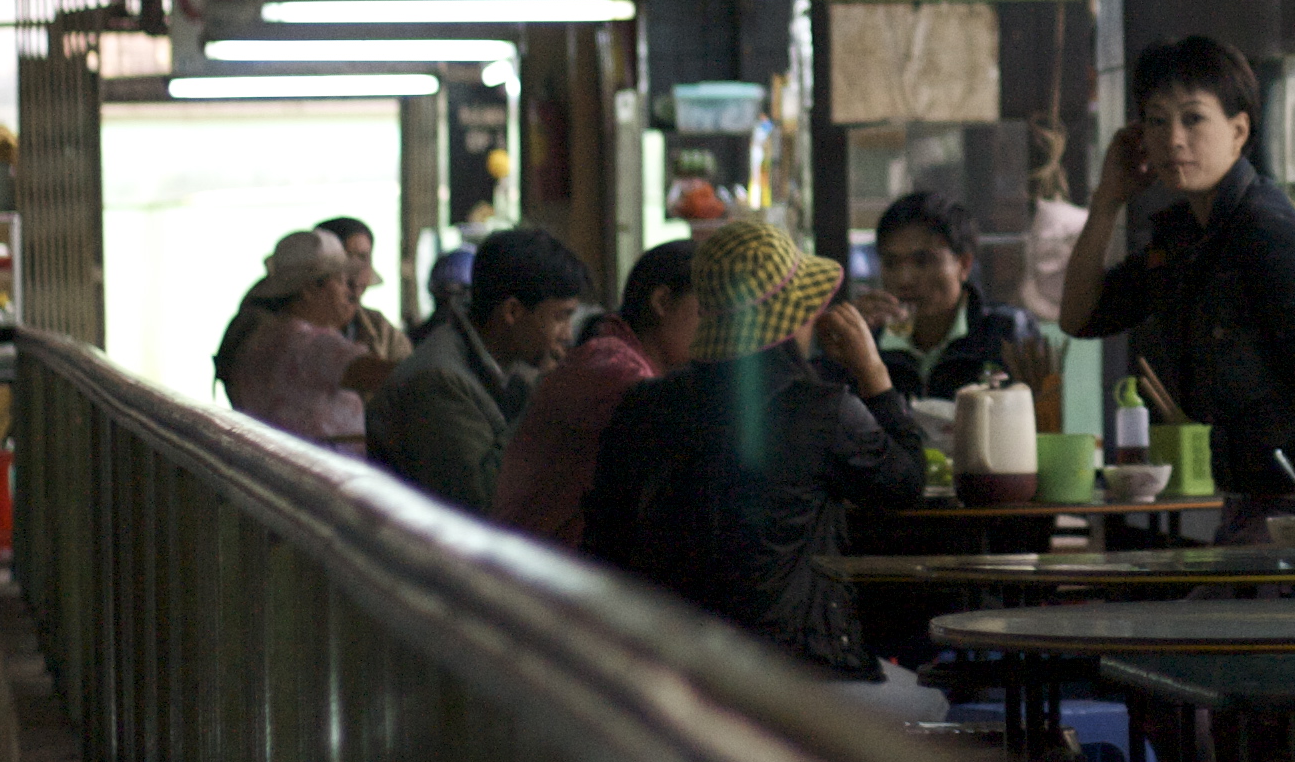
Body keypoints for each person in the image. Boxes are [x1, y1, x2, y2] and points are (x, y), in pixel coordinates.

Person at [584, 218, 929, 672]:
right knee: (925, 684)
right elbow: (907, 481)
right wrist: (873, 372)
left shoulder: (644, 405)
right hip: (793, 671)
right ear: (792, 318)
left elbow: (605, 536)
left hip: (667, 662)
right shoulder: (823, 410)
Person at [1061, 33, 1295, 515]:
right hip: (1230, 505)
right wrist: (1107, 200)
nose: (1172, 139)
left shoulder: (1272, 234)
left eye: (1193, 118)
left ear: (1239, 131)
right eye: (1156, 121)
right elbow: (1079, 317)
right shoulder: (1182, 238)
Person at [364, 226, 589, 513]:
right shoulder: (439, 380)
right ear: (512, 312)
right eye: (560, 317)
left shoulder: (501, 362)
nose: (567, 335)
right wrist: (547, 394)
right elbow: (482, 503)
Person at [492, 238, 697, 552]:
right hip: (542, 567)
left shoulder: (609, 355)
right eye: (709, 310)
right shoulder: (618, 373)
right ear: (662, 302)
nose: (722, 328)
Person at [855, 189, 1051, 402]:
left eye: (922, 262)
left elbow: (1035, 412)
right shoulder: (868, 339)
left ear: (964, 264)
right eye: (891, 263)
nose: (905, 279)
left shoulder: (1005, 332)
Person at [216, 230, 394, 449]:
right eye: (340, 281)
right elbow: (392, 377)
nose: (348, 292)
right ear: (310, 289)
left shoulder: (264, 335)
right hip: (322, 468)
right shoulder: (307, 342)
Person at [313, 215, 411, 366]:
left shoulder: (381, 330)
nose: (355, 272)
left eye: (363, 258)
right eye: (345, 260)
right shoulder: (293, 332)